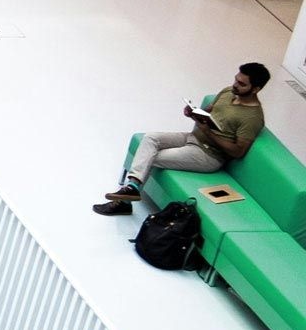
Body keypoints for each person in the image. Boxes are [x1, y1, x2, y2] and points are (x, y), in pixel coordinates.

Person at [96, 62, 268, 215]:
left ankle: (124, 201)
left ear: (256, 89)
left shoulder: (252, 117)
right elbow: (209, 111)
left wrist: (208, 132)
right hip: (192, 138)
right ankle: (132, 189)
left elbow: (238, 151)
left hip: (209, 156)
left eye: (241, 84)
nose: (235, 85)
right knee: (150, 138)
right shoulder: (228, 92)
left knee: (151, 157)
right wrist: (194, 113)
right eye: (236, 80)